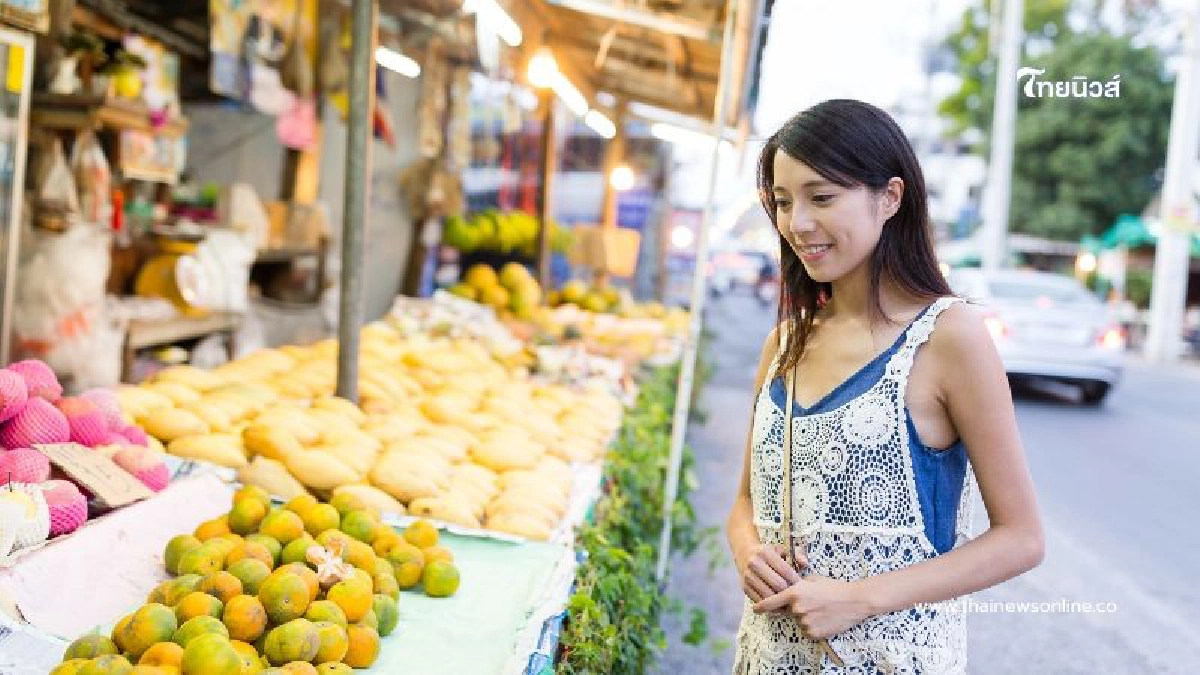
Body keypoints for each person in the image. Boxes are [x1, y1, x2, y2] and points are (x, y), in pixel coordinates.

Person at [726, 100, 1044, 673]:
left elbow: (1021, 538)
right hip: (767, 657)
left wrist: (857, 598)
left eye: (822, 197)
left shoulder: (949, 337)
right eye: (782, 201)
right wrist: (749, 552)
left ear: (891, 198)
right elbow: (745, 504)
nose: (797, 222)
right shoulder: (784, 344)